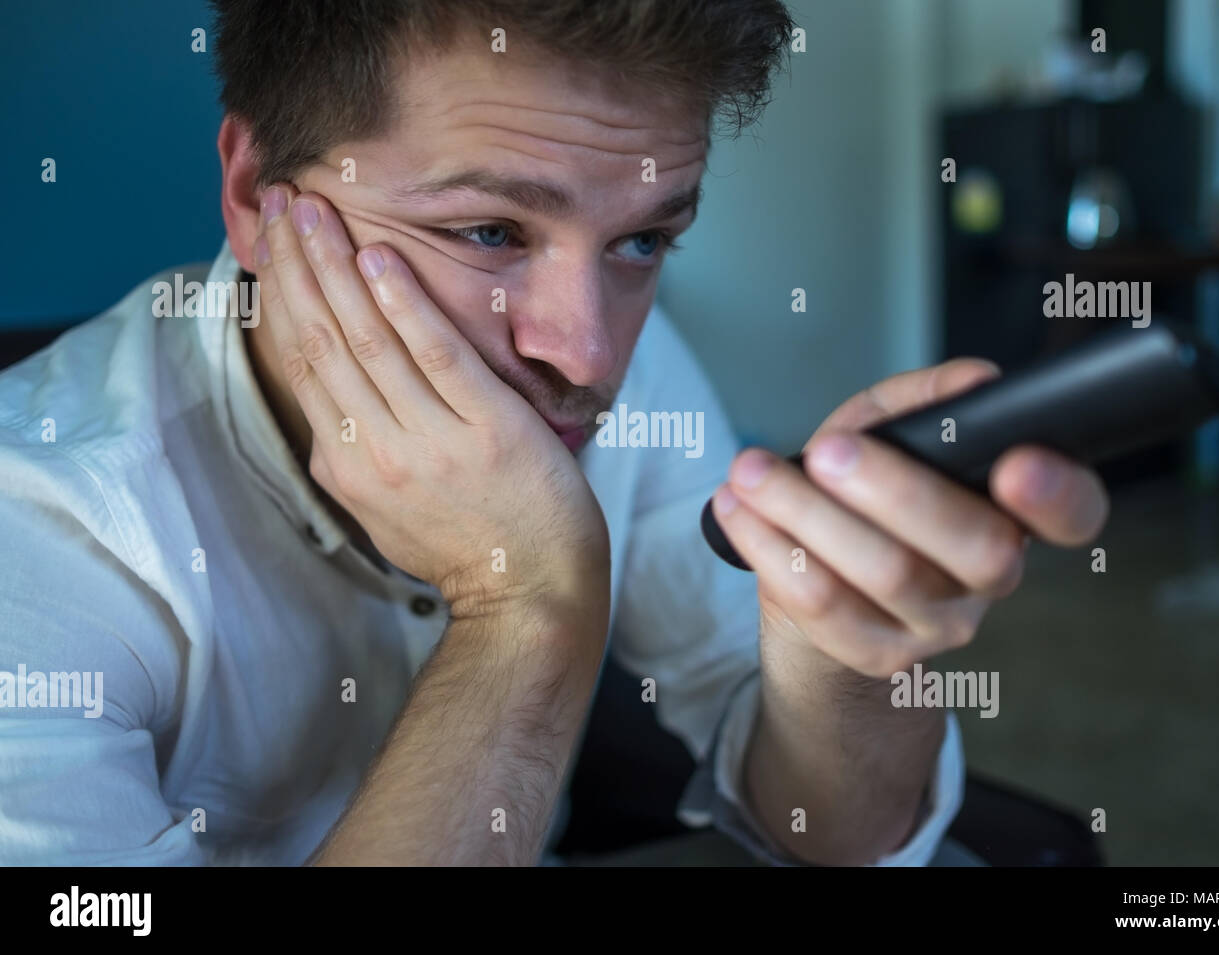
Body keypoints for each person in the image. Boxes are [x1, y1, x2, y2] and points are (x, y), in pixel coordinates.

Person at [0, 0, 1109, 866]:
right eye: (488, 230)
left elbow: (840, 831)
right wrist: (526, 603)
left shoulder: (629, 369)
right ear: (253, 194)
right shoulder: (38, 535)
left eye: (640, 242)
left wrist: (845, 660)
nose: (585, 355)